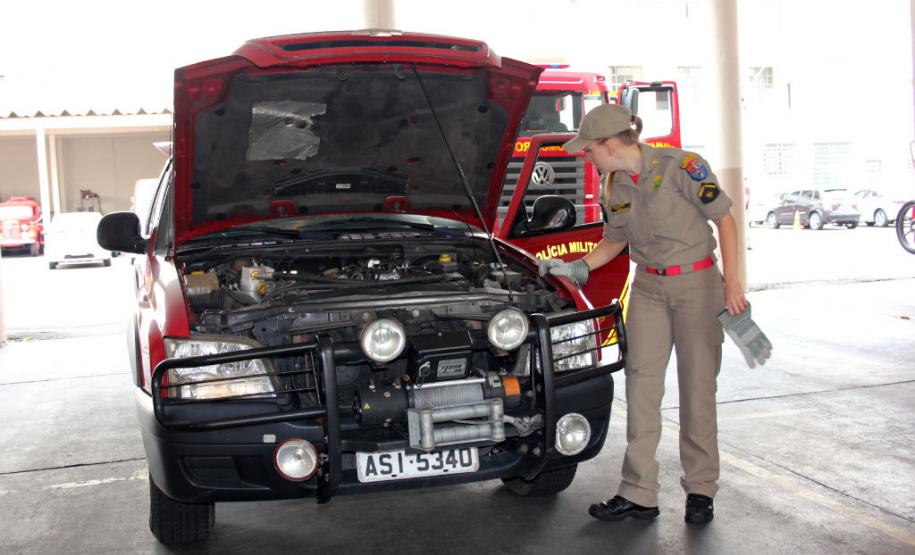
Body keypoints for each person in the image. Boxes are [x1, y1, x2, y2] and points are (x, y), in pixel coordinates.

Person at [539, 104, 748, 525]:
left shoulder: (681, 167)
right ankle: (639, 493)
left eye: (589, 149)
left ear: (609, 144)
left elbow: (725, 221)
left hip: (697, 284)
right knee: (641, 386)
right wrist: (577, 266)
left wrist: (732, 283)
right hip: (648, 288)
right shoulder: (613, 186)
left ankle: (701, 490)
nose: (586, 156)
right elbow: (613, 242)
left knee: (697, 388)